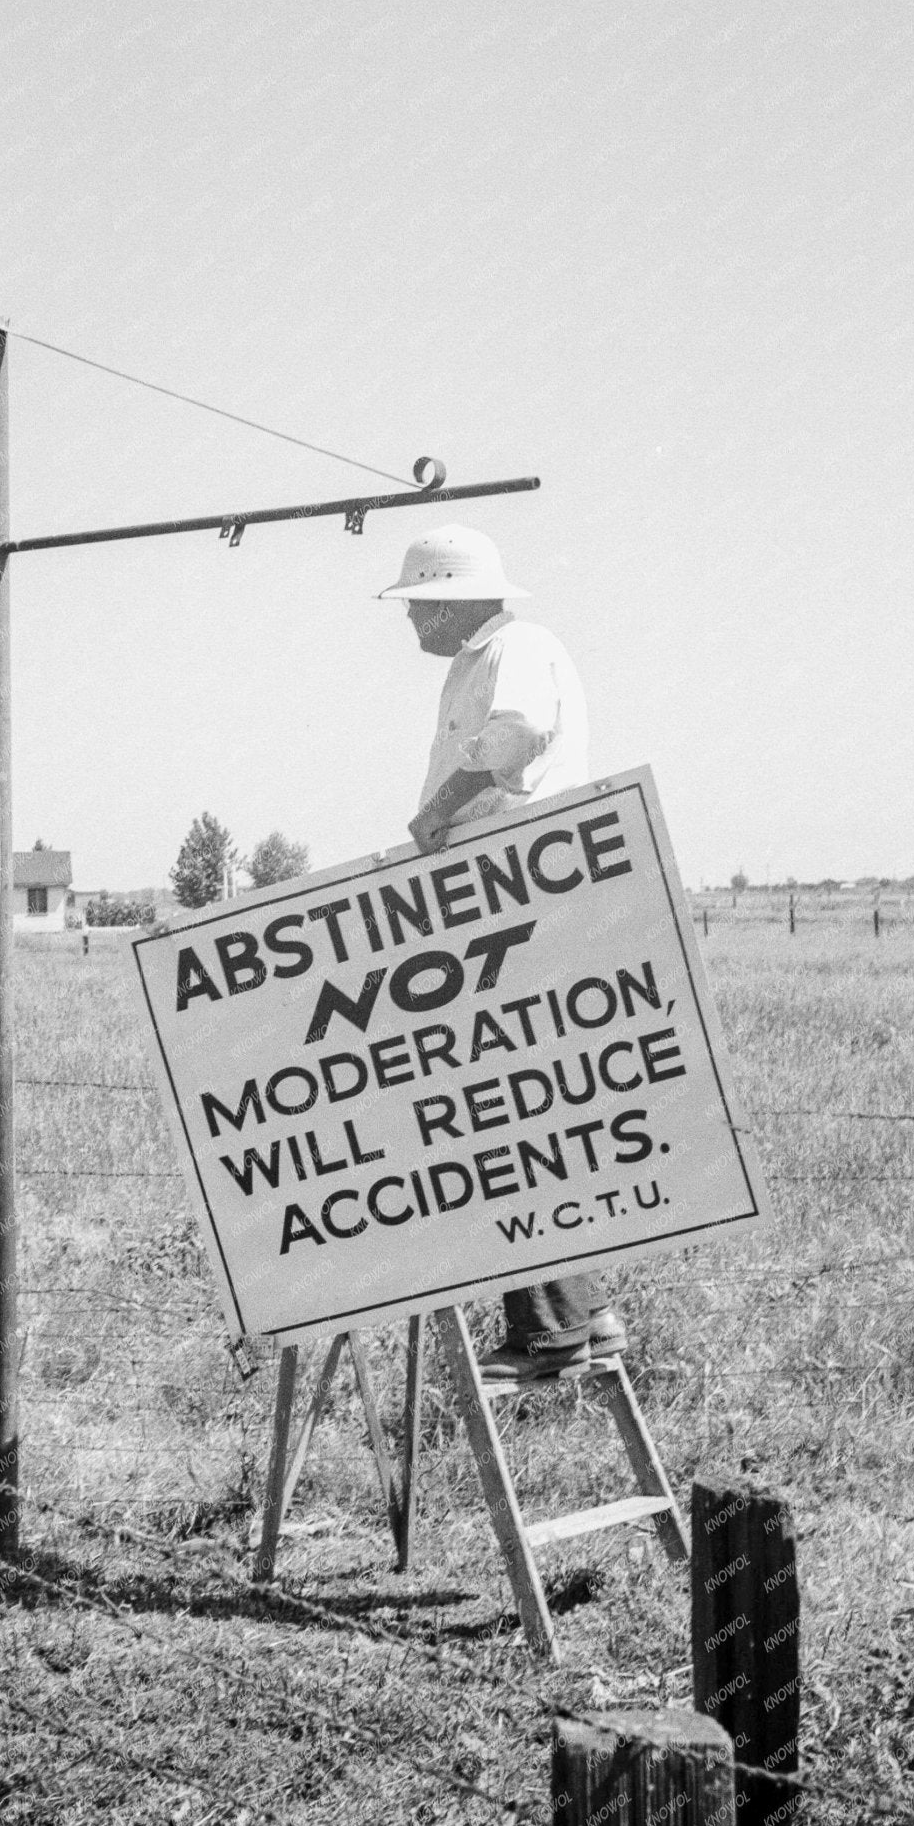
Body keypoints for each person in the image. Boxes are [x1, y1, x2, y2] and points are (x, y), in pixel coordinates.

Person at [377, 524, 626, 1382]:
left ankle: (550, 1329)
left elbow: (515, 738)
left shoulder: (516, 647)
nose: (413, 627)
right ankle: (585, 1315)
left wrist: (440, 805)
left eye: (419, 609)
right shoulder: (482, 655)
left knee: (497, 1110)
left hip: (516, 889)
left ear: (454, 599)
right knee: (526, 1103)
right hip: (504, 887)